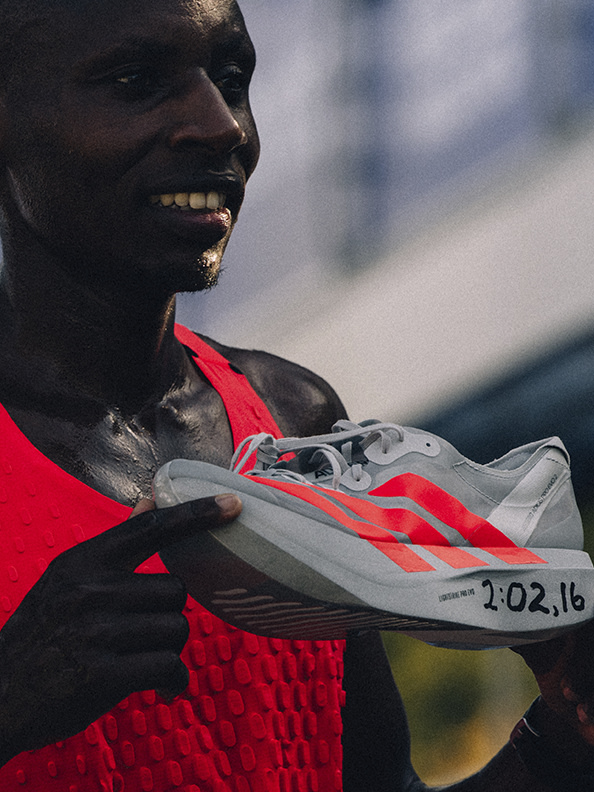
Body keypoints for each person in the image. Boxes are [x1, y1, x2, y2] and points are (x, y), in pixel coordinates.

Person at [0, 0, 592, 789]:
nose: (222, 127)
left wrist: (566, 726)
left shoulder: (290, 420)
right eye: (137, 81)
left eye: (232, 78)